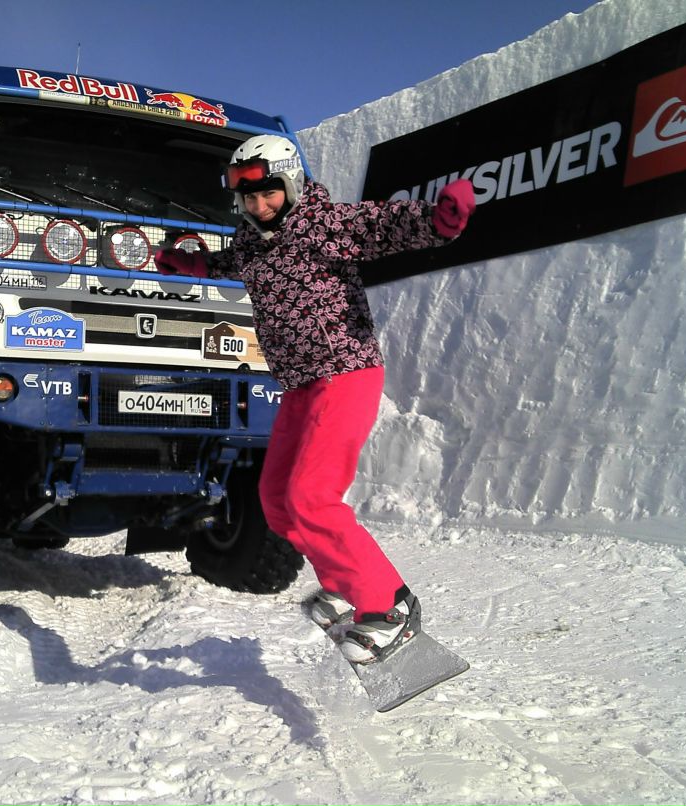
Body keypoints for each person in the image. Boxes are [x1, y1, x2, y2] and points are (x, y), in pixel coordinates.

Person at [154, 134, 475, 664]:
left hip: (345, 371)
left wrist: (438, 223)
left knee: (312, 498)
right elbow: (236, 262)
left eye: (269, 193)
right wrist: (197, 267)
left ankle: (387, 606)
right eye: (249, 198)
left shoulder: (322, 224)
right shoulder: (252, 239)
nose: (260, 205)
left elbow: (382, 226)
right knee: (277, 502)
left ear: (292, 184)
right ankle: (344, 584)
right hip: (300, 384)